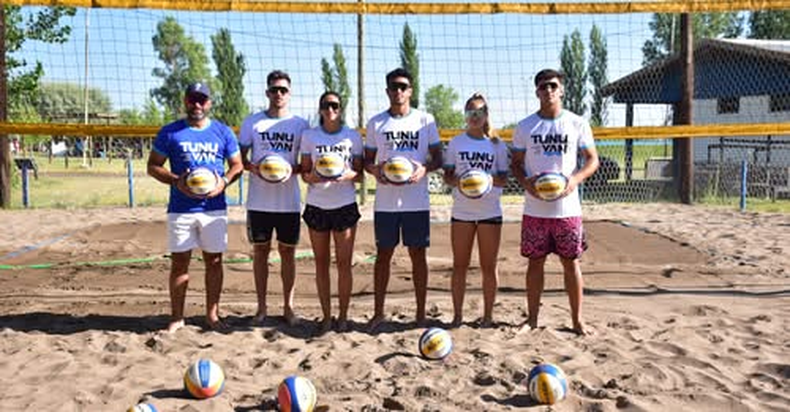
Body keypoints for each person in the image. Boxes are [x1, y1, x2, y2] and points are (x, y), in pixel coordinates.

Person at [147, 82, 243, 333]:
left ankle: (212, 315)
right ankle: (177, 317)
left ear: (210, 102)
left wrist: (223, 181)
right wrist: (176, 181)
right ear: (185, 101)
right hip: (181, 208)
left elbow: (237, 165)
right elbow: (153, 166)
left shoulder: (223, 132)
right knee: (180, 264)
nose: (197, 105)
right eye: (193, 99)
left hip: (213, 208)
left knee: (214, 262)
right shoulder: (171, 132)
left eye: (202, 100)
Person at [510, 69, 600, 335]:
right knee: (535, 263)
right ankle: (532, 319)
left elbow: (592, 160)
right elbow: (515, 164)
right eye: (542, 86)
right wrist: (526, 183)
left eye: (552, 85)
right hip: (535, 208)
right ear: (536, 92)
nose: (547, 90)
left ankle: (577, 320)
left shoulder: (576, 123)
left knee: (570, 263)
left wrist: (574, 180)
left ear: (561, 90)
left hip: (567, 208)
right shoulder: (525, 126)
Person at [364, 68, 442, 330]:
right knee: (383, 255)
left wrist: (424, 169)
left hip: (415, 201)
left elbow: (438, 158)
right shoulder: (376, 122)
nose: (398, 91)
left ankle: (420, 314)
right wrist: (375, 170)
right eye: (393, 87)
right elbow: (366, 160)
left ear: (410, 90)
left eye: (403, 86)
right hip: (386, 201)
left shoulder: (425, 120)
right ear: (387, 91)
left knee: (417, 255)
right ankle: (378, 313)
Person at [239, 70, 309, 326]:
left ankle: (289, 307)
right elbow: (239, 159)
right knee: (260, 253)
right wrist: (254, 168)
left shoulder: (300, 125)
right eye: (274, 89)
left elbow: (308, 162)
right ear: (267, 92)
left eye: (283, 90)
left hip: (288, 201)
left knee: (288, 254)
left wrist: (295, 169)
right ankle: (261, 308)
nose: (278, 94)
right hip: (259, 201)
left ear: (289, 94)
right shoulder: (253, 122)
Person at [443, 92, 509, 328]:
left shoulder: (497, 145)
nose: (474, 115)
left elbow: (503, 179)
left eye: (479, 111)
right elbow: (448, 177)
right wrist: (461, 181)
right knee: (459, 265)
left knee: (488, 266)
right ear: (466, 114)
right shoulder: (456, 142)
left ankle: (488, 316)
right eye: (471, 111)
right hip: (462, 211)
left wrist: (483, 180)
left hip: (489, 210)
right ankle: (458, 316)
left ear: (486, 115)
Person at [299, 91, 363, 333]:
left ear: (341, 108)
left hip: (344, 205)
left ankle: (344, 316)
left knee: (344, 264)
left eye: (335, 105)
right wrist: (312, 176)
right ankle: (327, 317)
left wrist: (348, 175)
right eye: (326, 105)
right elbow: (305, 173)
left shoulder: (352, 137)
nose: (330, 109)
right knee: (321, 264)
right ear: (320, 109)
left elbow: (359, 174)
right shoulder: (309, 136)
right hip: (317, 205)